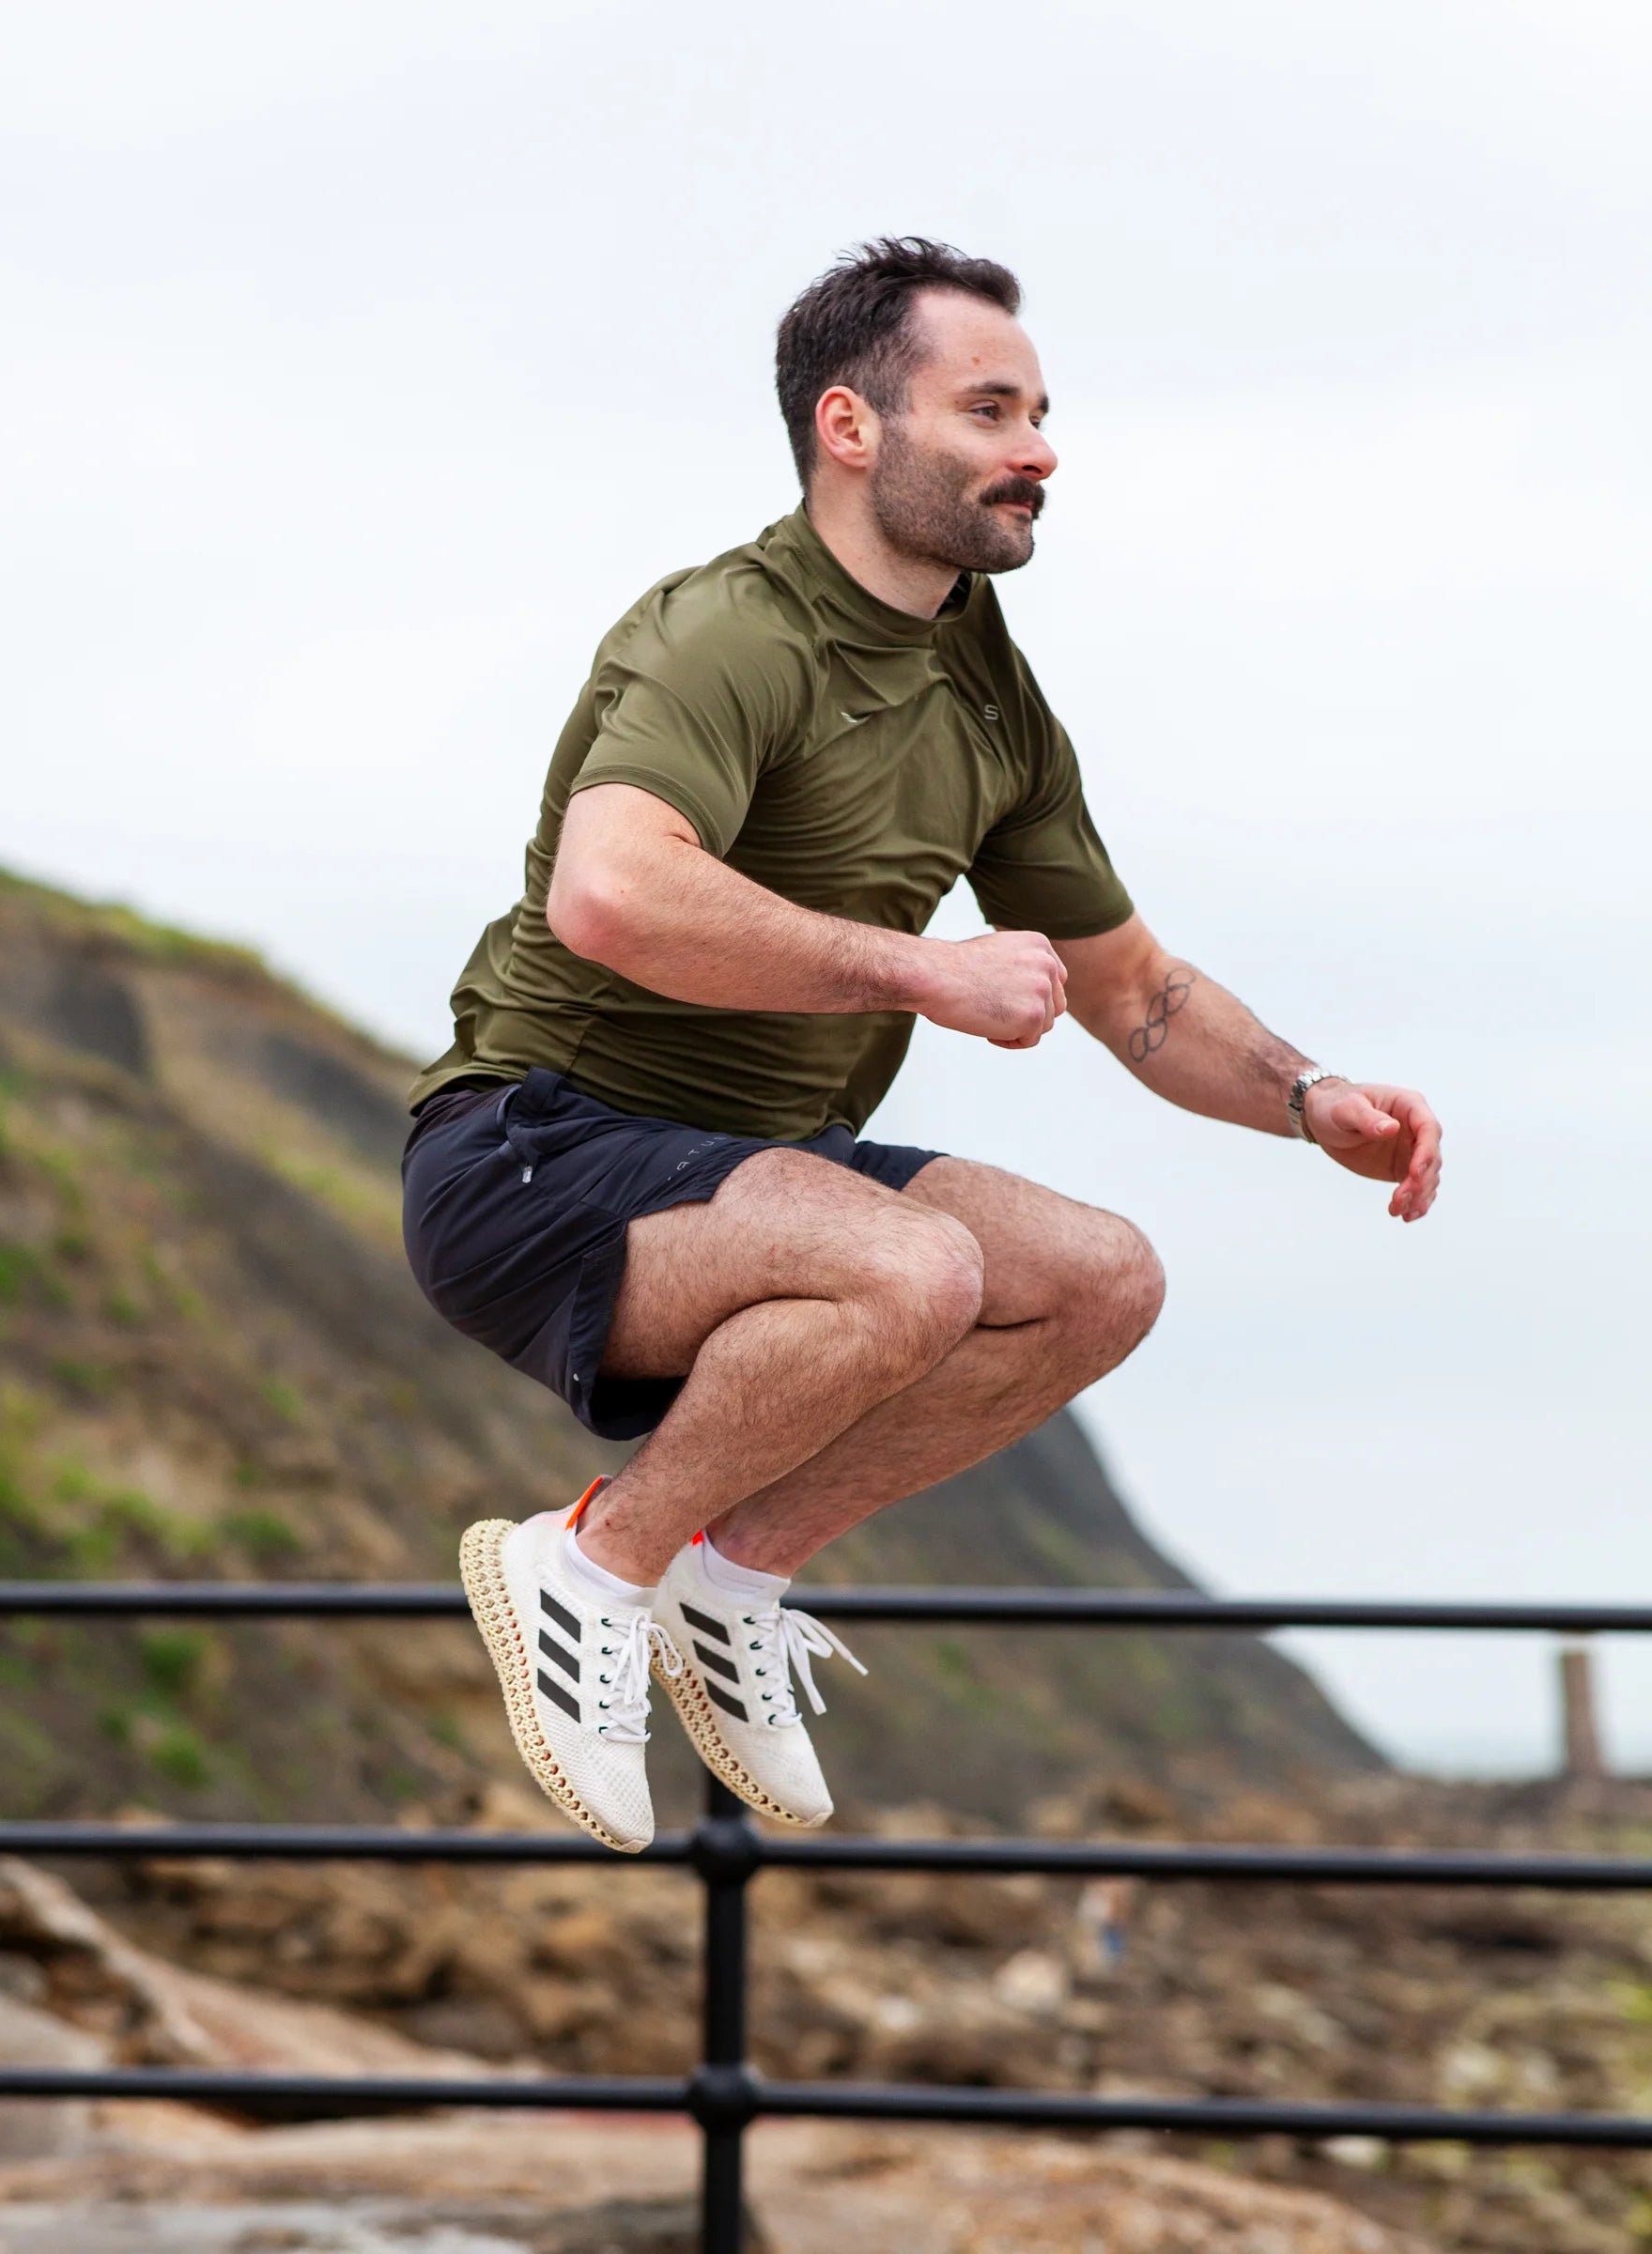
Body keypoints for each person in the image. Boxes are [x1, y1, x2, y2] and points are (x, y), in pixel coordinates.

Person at [402, 238, 1443, 1853]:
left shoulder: (990, 698)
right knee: (915, 1271)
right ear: (852, 428)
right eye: (991, 409)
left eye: (1040, 412)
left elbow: (1139, 995)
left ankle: (729, 1579)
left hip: (760, 1169)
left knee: (1101, 1275)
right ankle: (593, 1566)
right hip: (537, 1149)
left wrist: (1311, 1100)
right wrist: (921, 970)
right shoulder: (731, 633)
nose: (1038, 449)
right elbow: (611, 893)